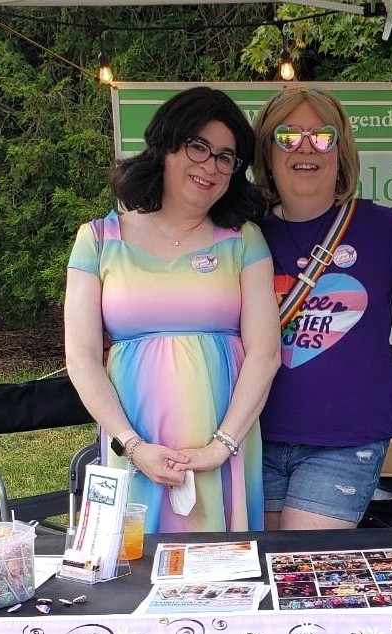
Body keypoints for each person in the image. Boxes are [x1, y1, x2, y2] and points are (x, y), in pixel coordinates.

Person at [251, 86, 392, 530]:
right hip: (250, 435)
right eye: (288, 136)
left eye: (322, 136)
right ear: (267, 153)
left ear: (341, 149)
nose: (306, 148)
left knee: (305, 569)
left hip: (346, 439)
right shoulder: (241, 233)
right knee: (262, 569)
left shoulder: (381, 228)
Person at [64, 86, 280, 533]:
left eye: (226, 156)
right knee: (135, 573)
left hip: (226, 450)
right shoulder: (98, 239)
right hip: (135, 447)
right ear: (164, 147)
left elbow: (265, 354)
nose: (211, 166)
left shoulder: (243, 239)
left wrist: (221, 447)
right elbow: (81, 359)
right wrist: (132, 445)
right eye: (198, 147)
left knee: (227, 577)